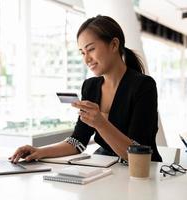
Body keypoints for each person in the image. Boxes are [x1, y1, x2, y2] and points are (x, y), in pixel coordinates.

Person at [9, 15, 162, 163]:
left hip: (142, 174)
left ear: (114, 45)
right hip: (108, 169)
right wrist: (39, 151)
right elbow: (78, 141)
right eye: (82, 52)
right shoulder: (90, 86)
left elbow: (138, 152)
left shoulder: (143, 86)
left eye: (91, 49)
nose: (86, 59)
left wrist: (101, 123)